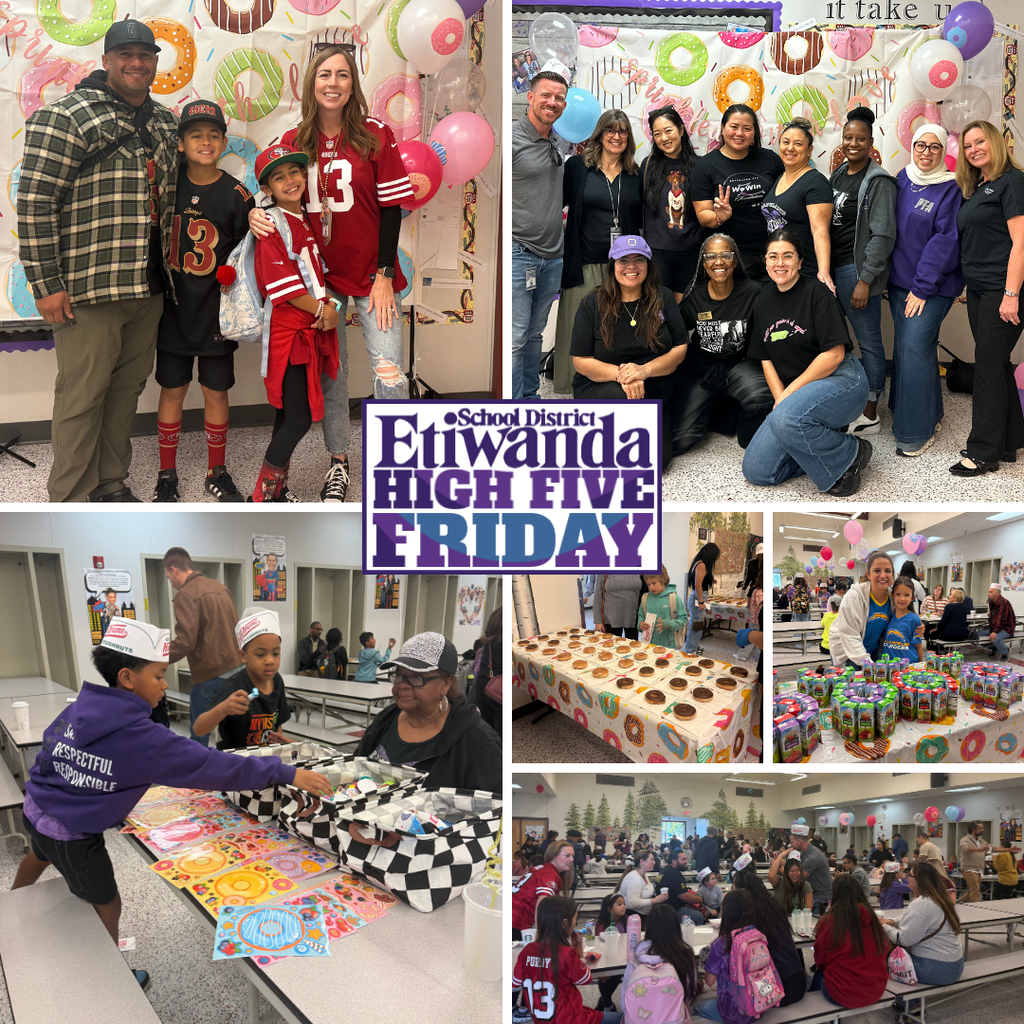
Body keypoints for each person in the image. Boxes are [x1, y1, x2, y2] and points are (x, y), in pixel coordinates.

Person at [12, 618, 332, 990]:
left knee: (38, 853)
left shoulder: (84, 706)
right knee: (108, 903)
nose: (166, 686)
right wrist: (285, 773)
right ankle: (108, 977)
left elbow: (50, 750)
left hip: (36, 806)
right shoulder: (144, 737)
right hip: (70, 831)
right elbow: (213, 766)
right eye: (160, 676)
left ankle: (13, 905)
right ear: (128, 678)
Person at [16, 20, 178, 502]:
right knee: (81, 398)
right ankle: (70, 499)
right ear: (106, 60)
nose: (136, 62)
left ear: (155, 62)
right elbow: (35, 202)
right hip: (88, 289)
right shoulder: (66, 116)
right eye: (125, 53)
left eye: (145, 54)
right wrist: (45, 284)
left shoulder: (167, 121)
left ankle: (110, 484)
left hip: (148, 289)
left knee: (126, 393)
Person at [255, 47, 416, 500]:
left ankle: (393, 468)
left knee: (389, 374)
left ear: (353, 85)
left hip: (371, 278)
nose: (333, 82)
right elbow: (274, 197)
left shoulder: (375, 135)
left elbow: (391, 210)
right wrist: (256, 214)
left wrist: (385, 273)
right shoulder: (293, 140)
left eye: (342, 75)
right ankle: (339, 462)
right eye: (324, 74)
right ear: (311, 83)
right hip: (319, 286)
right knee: (333, 376)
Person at [153, 100, 253, 503]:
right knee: (172, 389)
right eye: (196, 134)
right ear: (180, 143)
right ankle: (166, 473)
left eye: (213, 135)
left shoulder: (236, 194)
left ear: (224, 141)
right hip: (173, 313)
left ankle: (217, 470)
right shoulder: (166, 186)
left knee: (215, 391)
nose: (205, 141)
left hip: (216, 314)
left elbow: (249, 257)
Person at [742, 230, 871, 497]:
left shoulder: (817, 293)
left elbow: (834, 355)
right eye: (773, 256)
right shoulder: (762, 301)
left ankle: (853, 451)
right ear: (765, 262)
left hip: (841, 379)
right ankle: (823, 439)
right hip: (799, 393)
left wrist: (788, 396)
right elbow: (765, 358)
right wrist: (781, 399)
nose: (780, 263)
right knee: (757, 470)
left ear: (800, 261)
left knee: (788, 417)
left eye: (788, 256)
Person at [249, 143, 340, 502]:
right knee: (299, 420)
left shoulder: (298, 219)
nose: (290, 180)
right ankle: (261, 497)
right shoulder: (271, 223)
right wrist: (323, 312)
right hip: (290, 338)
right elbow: (281, 287)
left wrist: (326, 304)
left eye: (295, 172)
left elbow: (313, 278)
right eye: (278, 176)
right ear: (267, 188)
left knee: (287, 416)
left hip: (304, 331)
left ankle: (274, 492)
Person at [571, 235, 687, 466]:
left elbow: (680, 348)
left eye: (639, 260)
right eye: (623, 260)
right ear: (612, 264)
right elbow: (581, 360)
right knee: (620, 396)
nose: (631, 267)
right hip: (602, 384)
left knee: (657, 462)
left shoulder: (663, 297)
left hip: (652, 384)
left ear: (648, 265)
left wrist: (643, 371)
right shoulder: (592, 303)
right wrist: (624, 376)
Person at [950, 119, 1024, 476]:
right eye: (967, 145)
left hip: (1003, 291)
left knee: (987, 368)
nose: (974, 149)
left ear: (996, 142)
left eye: (980, 141)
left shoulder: (1012, 181)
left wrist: (1011, 294)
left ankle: (983, 453)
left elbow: (1021, 242)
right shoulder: (980, 187)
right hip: (980, 290)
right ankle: (1010, 441)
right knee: (996, 365)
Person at [886, 125, 965, 453]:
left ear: (943, 150)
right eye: (921, 145)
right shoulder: (902, 178)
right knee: (911, 349)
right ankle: (928, 412)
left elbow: (945, 243)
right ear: (912, 146)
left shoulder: (951, 188)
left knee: (914, 348)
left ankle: (915, 433)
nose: (927, 152)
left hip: (930, 287)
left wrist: (921, 288)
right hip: (898, 283)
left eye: (935, 147)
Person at [553, 109, 644, 394]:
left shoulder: (634, 173)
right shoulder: (578, 167)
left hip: (622, 264)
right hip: (583, 260)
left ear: (628, 138)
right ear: (600, 134)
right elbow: (556, 205)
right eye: (610, 130)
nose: (616, 136)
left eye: (623, 131)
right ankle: (572, 384)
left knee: (617, 328)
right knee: (579, 325)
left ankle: (614, 382)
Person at [355, 632, 501, 790]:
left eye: (416, 677)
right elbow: (355, 770)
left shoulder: (478, 742)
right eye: (398, 675)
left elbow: (492, 806)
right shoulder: (386, 719)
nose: (403, 685)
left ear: (445, 683)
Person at [827, 107, 897, 435]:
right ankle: (849, 400)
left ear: (871, 142)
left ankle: (870, 412)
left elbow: (883, 234)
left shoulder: (878, 181)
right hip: (834, 268)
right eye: (848, 138)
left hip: (855, 273)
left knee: (869, 341)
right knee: (841, 341)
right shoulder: (839, 173)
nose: (853, 143)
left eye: (860, 138)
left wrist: (865, 280)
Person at [674, 233, 774, 455]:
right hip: (701, 368)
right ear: (704, 263)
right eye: (711, 257)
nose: (718, 262)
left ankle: (744, 433)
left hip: (739, 364)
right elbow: (676, 334)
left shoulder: (754, 292)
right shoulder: (693, 294)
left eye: (725, 256)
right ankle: (717, 411)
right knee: (681, 439)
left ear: (735, 260)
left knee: (760, 397)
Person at [511, 71, 568, 399]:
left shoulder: (557, 140)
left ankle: (530, 398)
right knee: (517, 337)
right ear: (530, 97)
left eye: (559, 98)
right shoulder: (514, 138)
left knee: (534, 334)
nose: (552, 102)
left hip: (553, 256)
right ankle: (513, 407)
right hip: (521, 252)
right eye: (546, 95)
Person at [690, 104, 785, 277]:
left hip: (772, 252)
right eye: (734, 127)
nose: (739, 133)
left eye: (747, 128)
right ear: (723, 128)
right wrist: (719, 217)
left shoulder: (771, 160)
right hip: (730, 257)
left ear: (755, 132)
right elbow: (703, 215)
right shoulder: (705, 166)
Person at [162, 547, 242, 747]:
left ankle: (199, 776)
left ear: (174, 570)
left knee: (199, 732)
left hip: (210, 675)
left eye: (168, 577)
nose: (171, 583)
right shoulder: (220, 587)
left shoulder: (185, 595)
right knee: (233, 728)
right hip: (238, 669)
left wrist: (157, 657)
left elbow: (185, 642)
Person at [513, 895, 624, 1024]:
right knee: (623, 1018)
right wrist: (578, 949)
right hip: (570, 1019)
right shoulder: (566, 953)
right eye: (575, 920)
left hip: (542, 1019)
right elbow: (585, 979)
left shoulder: (527, 951)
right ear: (565, 923)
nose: (575, 923)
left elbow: (515, 983)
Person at [193, 609, 291, 749]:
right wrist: (223, 709)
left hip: (265, 759)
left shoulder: (277, 681)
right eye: (260, 654)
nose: (270, 660)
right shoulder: (235, 686)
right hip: (236, 762)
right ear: (243, 656)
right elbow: (199, 729)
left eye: (275, 653)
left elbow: (277, 725)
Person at [641, 105, 704, 301]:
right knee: (659, 314)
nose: (664, 138)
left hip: (691, 252)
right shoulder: (647, 165)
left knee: (685, 315)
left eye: (668, 131)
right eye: (657, 134)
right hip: (657, 253)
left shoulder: (700, 166)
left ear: (681, 130)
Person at [761, 118, 834, 284]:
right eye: (786, 142)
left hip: (805, 271)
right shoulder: (780, 178)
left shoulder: (815, 182)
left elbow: (820, 230)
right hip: (780, 270)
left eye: (798, 144)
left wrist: (823, 271)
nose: (790, 148)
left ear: (809, 150)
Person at [810, 874, 889, 1008]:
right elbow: (884, 949)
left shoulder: (829, 922)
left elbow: (820, 960)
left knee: (819, 976)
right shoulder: (873, 919)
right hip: (876, 990)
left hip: (843, 994)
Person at [880, 862, 964, 987]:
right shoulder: (939, 898)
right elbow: (914, 917)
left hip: (937, 968)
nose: (907, 877)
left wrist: (884, 926)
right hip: (955, 964)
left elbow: (902, 939)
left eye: (910, 875)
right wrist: (892, 922)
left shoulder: (921, 904)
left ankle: (909, 1002)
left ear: (919, 880)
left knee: (886, 962)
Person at [731, 870, 807, 1007]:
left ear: (742, 892)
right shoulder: (774, 905)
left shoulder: (749, 915)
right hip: (798, 981)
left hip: (774, 990)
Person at [621, 903, 700, 1023]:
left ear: (647, 929)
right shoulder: (686, 956)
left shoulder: (635, 959)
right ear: (677, 928)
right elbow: (690, 992)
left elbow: (624, 1002)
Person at [691, 889, 759, 1023]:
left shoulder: (721, 944)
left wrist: (710, 957)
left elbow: (709, 981)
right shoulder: (756, 934)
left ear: (727, 910)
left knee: (694, 1006)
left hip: (734, 1011)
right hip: (758, 1004)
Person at [829, 551, 895, 668]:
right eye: (877, 570)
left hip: (872, 647)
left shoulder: (893, 597)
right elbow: (849, 634)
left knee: (874, 684)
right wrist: (869, 664)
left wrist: (917, 627)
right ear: (868, 574)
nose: (883, 575)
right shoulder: (854, 596)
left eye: (888, 571)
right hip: (847, 649)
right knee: (851, 684)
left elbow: (902, 617)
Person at [513, 841, 574, 937]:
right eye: (567, 855)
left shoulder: (541, 868)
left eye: (572, 856)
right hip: (516, 920)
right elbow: (542, 906)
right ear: (554, 856)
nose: (571, 859)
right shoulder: (550, 875)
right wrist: (540, 936)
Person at [469, 606, 502, 733]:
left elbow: (475, 671)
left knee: (487, 729)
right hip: (498, 688)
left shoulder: (488, 639)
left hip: (484, 682)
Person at [594, 893, 629, 1012]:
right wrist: (607, 967)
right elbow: (599, 948)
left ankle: (604, 1001)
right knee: (604, 978)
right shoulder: (601, 925)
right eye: (619, 904)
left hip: (621, 957)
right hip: (605, 958)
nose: (623, 906)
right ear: (609, 909)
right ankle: (608, 1004)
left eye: (624, 904)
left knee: (616, 975)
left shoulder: (627, 921)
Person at [787, 824, 832, 915]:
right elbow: (794, 870)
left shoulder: (812, 857)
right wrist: (779, 862)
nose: (791, 845)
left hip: (820, 898)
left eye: (792, 842)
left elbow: (796, 878)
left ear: (799, 841)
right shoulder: (807, 853)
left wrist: (780, 862)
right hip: (815, 894)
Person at [638, 565, 685, 647]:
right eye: (648, 584)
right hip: (648, 645)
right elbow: (641, 616)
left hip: (668, 646)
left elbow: (683, 619)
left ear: (663, 580)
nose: (651, 587)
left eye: (654, 583)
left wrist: (669, 624)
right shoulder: (645, 598)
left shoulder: (674, 598)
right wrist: (640, 624)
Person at [881, 577, 925, 664]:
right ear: (892, 595)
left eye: (906, 595)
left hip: (909, 666)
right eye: (898, 594)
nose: (902, 598)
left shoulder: (914, 619)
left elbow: (919, 646)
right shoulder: (887, 617)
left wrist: (920, 666)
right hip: (888, 666)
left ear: (912, 598)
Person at [685, 543, 719, 655]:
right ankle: (690, 650)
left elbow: (701, 580)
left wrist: (710, 580)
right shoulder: (702, 565)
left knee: (697, 625)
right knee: (696, 625)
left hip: (697, 597)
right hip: (697, 598)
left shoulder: (698, 562)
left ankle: (694, 646)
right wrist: (700, 602)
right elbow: (698, 585)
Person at [617, 850, 668, 921]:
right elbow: (632, 903)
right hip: (633, 918)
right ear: (642, 861)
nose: (654, 862)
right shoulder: (634, 878)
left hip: (643, 915)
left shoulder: (644, 875)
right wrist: (655, 900)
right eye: (651, 859)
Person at [659, 847, 705, 924]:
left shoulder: (664, 871)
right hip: (671, 910)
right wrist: (700, 898)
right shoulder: (674, 874)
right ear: (674, 861)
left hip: (661, 908)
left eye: (686, 859)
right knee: (698, 916)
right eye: (683, 860)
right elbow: (685, 896)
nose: (686, 862)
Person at [594, 575, 644, 640]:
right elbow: (598, 594)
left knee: (633, 647)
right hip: (610, 618)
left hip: (633, 616)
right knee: (610, 648)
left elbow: (645, 592)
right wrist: (598, 621)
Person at [958, 820, 991, 904]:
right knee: (975, 891)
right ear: (973, 829)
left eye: (982, 828)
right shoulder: (965, 839)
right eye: (980, 828)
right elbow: (965, 848)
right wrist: (980, 849)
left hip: (979, 869)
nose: (982, 830)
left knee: (972, 889)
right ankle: (977, 909)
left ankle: (960, 902)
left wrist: (1007, 850)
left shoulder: (982, 841)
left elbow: (990, 849)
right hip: (969, 869)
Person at [985, 584, 1017, 661]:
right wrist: (991, 615)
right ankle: (995, 648)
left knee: (995, 639)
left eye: (990, 592)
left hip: (1006, 628)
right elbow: (997, 616)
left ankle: (1006, 651)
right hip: (995, 626)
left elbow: (1001, 619)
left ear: (997, 593)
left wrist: (995, 632)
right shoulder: (992, 602)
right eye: (988, 592)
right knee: (977, 637)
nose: (988, 593)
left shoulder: (1003, 602)